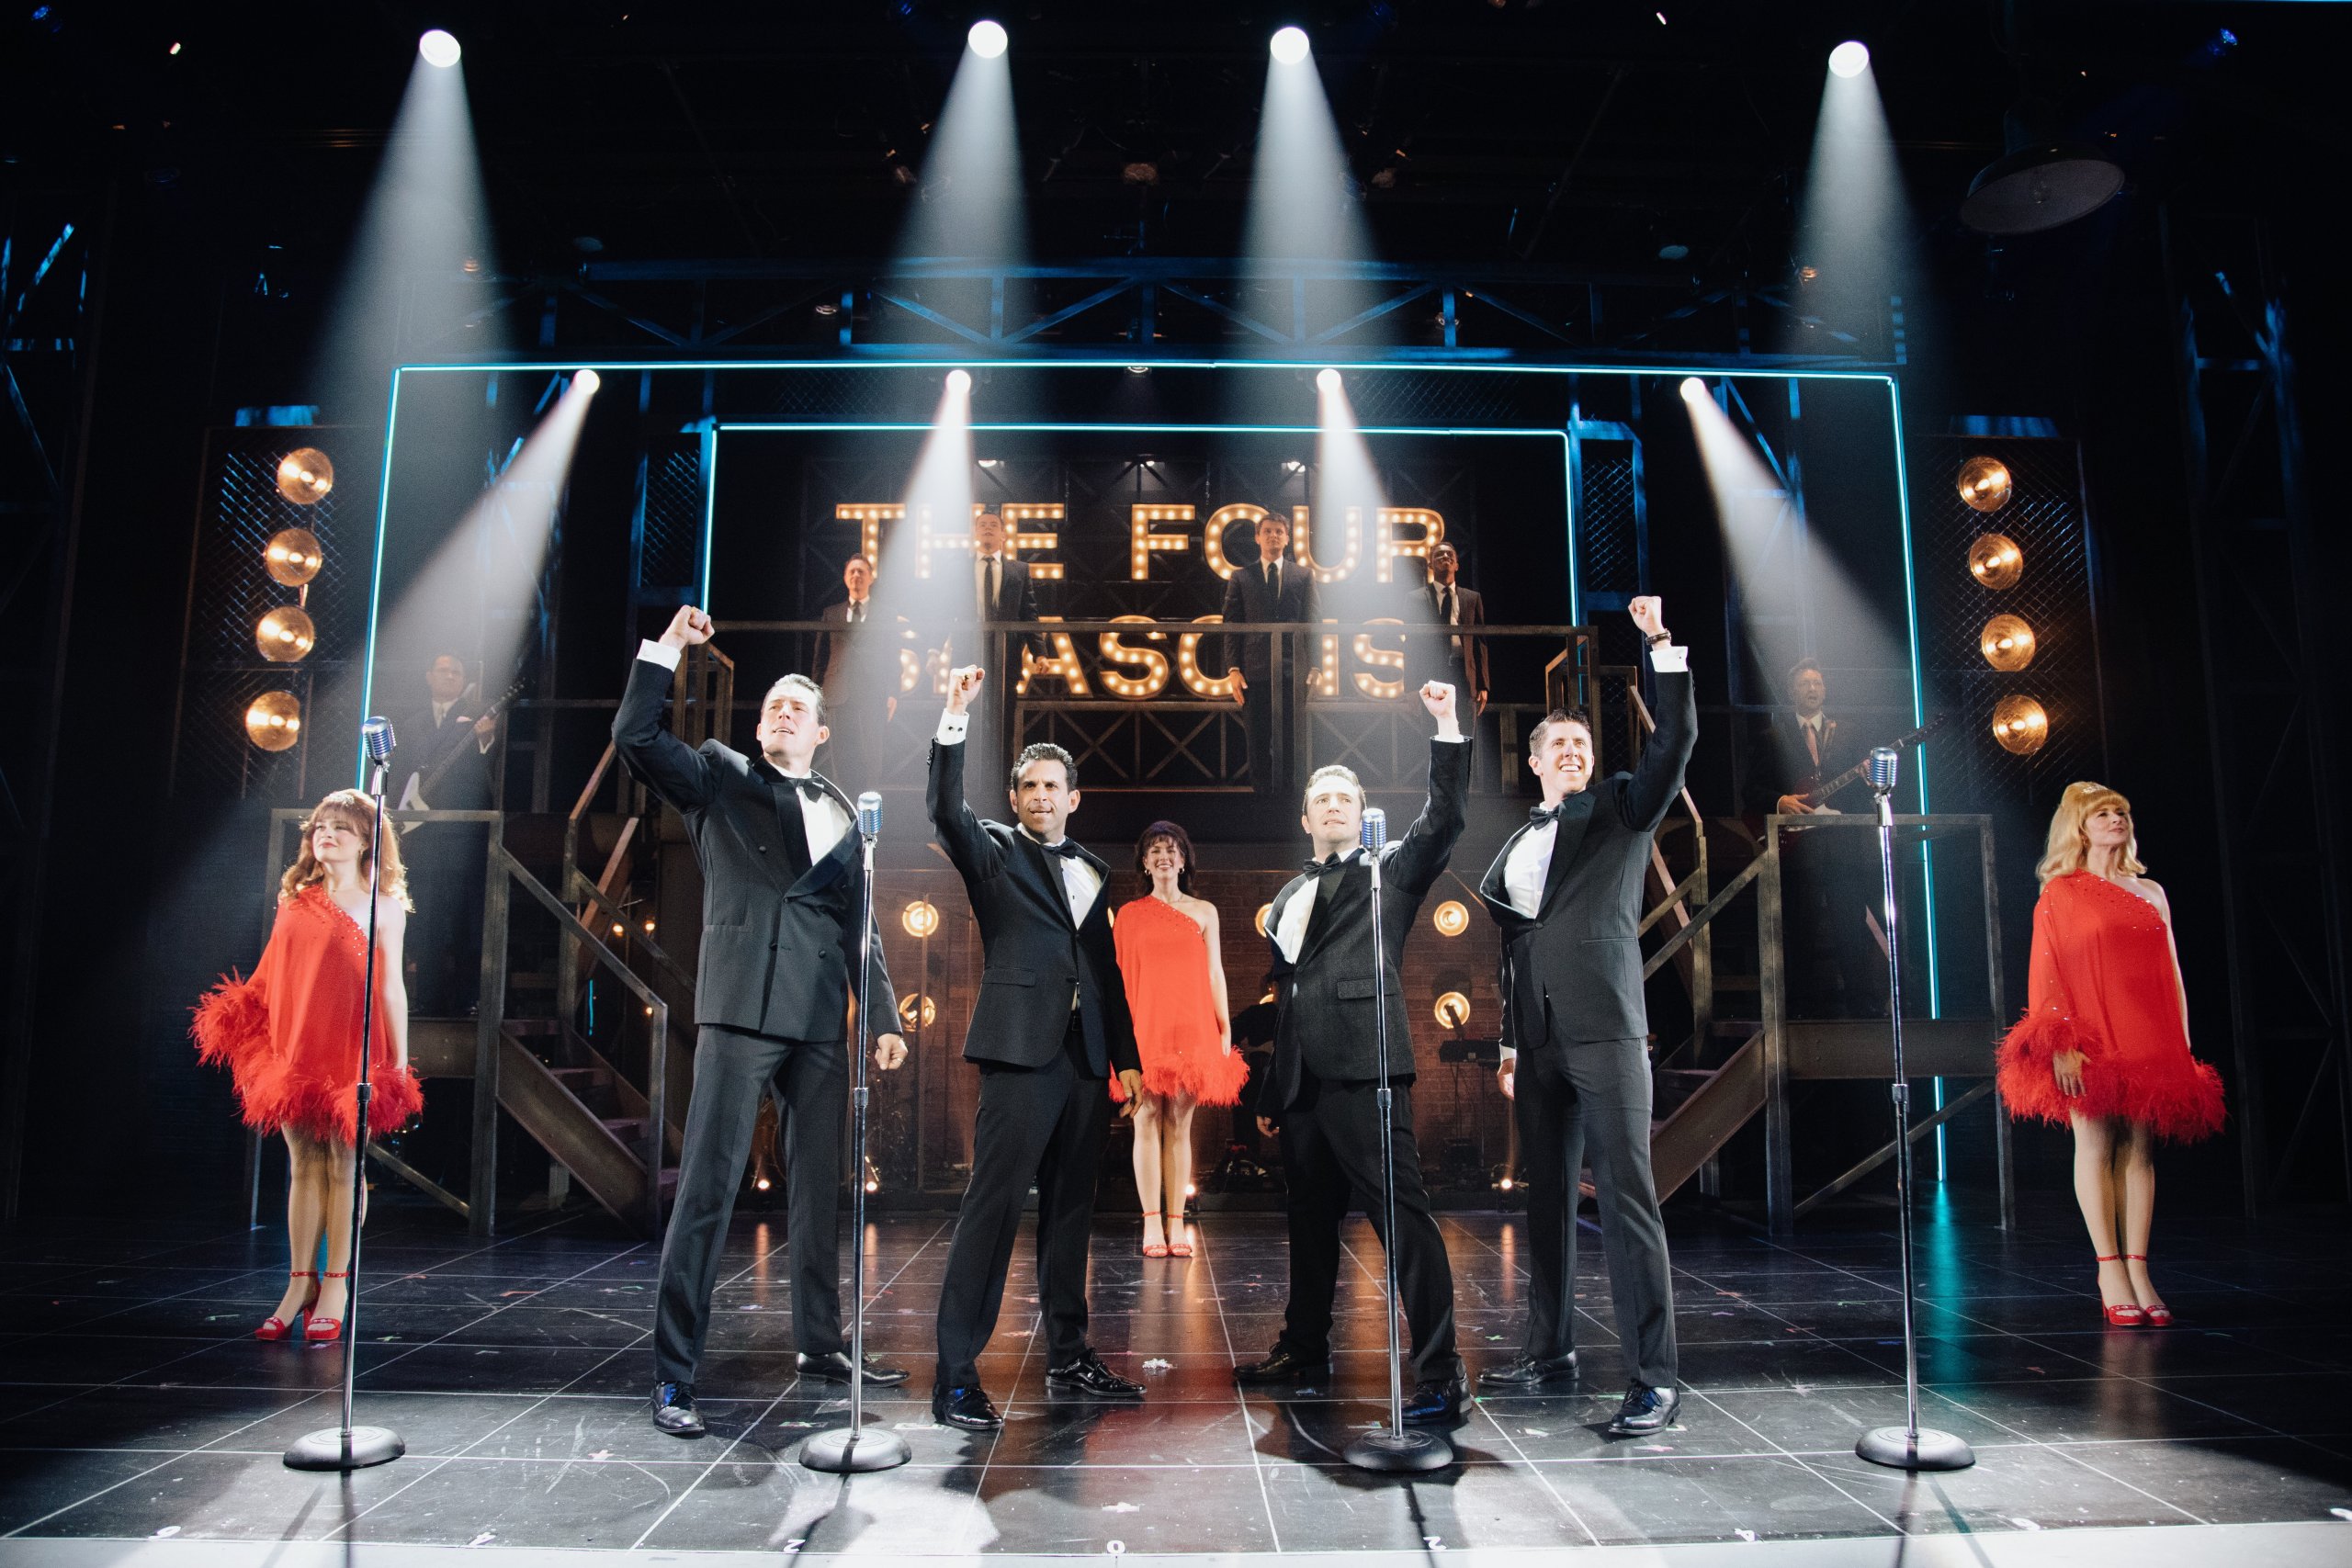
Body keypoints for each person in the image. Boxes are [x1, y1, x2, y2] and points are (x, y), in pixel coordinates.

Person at [615, 605, 910, 1439]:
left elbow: (863, 925)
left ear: (820, 733)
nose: (784, 712)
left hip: (818, 1020)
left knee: (821, 1191)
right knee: (709, 1188)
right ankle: (675, 1373)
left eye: (798, 708)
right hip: (742, 1008)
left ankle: (820, 1344)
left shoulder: (847, 813)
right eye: (774, 705)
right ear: (760, 724)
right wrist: (665, 648)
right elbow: (636, 736)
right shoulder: (720, 775)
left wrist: (881, 1013)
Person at [1476, 595, 1693, 1438]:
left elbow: (1672, 746)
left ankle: (1655, 1376)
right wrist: (1505, 1039)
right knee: (1547, 1200)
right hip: (1536, 1038)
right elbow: (1515, 944)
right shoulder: (1520, 839)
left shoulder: (1620, 809)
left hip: (1605, 1025)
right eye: (1557, 745)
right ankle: (1550, 1345)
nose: (1571, 751)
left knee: (1627, 1197)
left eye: (1582, 744)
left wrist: (1659, 650)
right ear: (1535, 763)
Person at [1235, 681, 1469, 1426]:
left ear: (1362, 811)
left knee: (1402, 1217)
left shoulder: (1387, 872)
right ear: (1304, 818)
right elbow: (1289, 995)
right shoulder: (1287, 894)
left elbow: (1445, 820)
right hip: (1303, 1078)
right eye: (1322, 799)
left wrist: (1445, 727)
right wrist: (1274, 1090)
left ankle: (1440, 1369)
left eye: (1346, 796)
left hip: (1367, 1068)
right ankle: (1304, 1345)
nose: (1334, 805)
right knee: (1308, 1223)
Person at [926, 664, 1148, 1431]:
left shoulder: (1093, 868)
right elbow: (946, 811)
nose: (1043, 797)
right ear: (1017, 798)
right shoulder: (993, 852)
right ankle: (955, 1374)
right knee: (992, 1208)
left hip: (1086, 1059)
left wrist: (1126, 1057)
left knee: (1072, 1212)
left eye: (1056, 786)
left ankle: (1070, 1351)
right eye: (1031, 787)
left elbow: (1103, 970)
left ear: (1073, 797)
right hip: (1021, 1053)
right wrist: (954, 717)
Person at [193, 789, 423, 1345]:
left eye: (341, 827)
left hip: (351, 1047)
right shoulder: (295, 899)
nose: (327, 834)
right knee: (302, 1165)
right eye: (320, 826)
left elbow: (392, 988)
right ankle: (300, 1283)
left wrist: (396, 1062)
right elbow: (276, 974)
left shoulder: (383, 906)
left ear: (367, 840)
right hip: (296, 1046)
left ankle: (339, 1283)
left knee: (344, 1165)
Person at [1995, 783, 2225, 1328]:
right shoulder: (2061, 892)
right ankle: (2109, 1269)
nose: (2115, 819)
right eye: (2103, 813)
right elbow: (2046, 972)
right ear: (2079, 826)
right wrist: (2061, 1044)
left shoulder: (2151, 892)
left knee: (2140, 1148)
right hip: (2089, 1031)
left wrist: (2182, 1046)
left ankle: (2141, 1270)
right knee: (2096, 1141)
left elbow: (2172, 972)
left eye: (2121, 811)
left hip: (2149, 1029)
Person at [1113, 820, 1249, 1259]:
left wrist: (1224, 1026)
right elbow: (1117, 979)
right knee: (1146, 1117)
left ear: (1184, 859)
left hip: (1191, 1024)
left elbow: (1215, 972)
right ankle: (1151, 1223)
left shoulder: (1205, 910)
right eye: (1154, 850)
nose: (1163, 856)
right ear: (1145, 862)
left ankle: (1177, 1223)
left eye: (1171, 848)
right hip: (1145, 1026)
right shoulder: (1130, 914)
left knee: (1180, 1124)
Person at [1743, 659, 1877, 1019]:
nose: (1813, 689)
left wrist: (1869, 779)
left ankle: (1861, 1007)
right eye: (1805, 684)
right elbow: (1749, 791)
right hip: (1799, 851)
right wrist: (1779, 800)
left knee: (1851, 926)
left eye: (1818, 682)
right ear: (1792, 692)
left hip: (1843, 847)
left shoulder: (1847, 733)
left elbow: (1864, 793)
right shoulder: (1772, 737)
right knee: (1799, 929)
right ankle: (1802, 1011)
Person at [391, 653, 500, 1016]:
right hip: (422, 831)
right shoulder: (413, 724)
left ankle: (470, 999)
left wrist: (486, 738)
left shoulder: (478, 717)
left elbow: (490, 760)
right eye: (444, 670)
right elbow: (402, 773)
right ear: (429, 676)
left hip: (463, 831)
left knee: (467, 915)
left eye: (457, 671)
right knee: (426, 914)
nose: (450, 676)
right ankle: (427, 999)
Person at [1217, 513, 1318, 796]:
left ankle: (1290, 800)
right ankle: (1262, 799)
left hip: (1293, 669)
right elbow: (1232, 625)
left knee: (1291, 740)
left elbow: (1314, 623)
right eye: (1268, 531)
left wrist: (1317, 667)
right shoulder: (1241, 576)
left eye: (1279, 531)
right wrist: (1233, 669)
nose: (1274, 535)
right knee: (1258, 740)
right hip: (1254, 671)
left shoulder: (1304, 575)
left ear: (1287, 539)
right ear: (1258, 537)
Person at [955, 512, 1046, 814]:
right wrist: (933, 653)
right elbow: (948, 612)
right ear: (975, 532)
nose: (988, 530)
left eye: (994, 525)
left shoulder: (1019, 570)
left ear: (1004, 535)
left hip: (1006, 659)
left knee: (1004, 724)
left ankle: (1003, 791)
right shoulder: (961, 568)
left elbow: (1029, 613)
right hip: (969, 657)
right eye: (982, 525)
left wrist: (1039, 652)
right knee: (968, 723)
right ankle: (967, 791)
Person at [813, 554, 894, 789]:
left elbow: (892, 655)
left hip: (872, 690)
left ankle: (870, 810)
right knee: (839, 753)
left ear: (871, 577)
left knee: (872, 753)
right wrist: (816, 693)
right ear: (846, 578)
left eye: (861, 571)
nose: (857, 576)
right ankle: (843, 805)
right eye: (852, 572)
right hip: (837, 691)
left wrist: (893, 693)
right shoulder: (832, 612)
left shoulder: (886, 613)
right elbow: (820, 658)